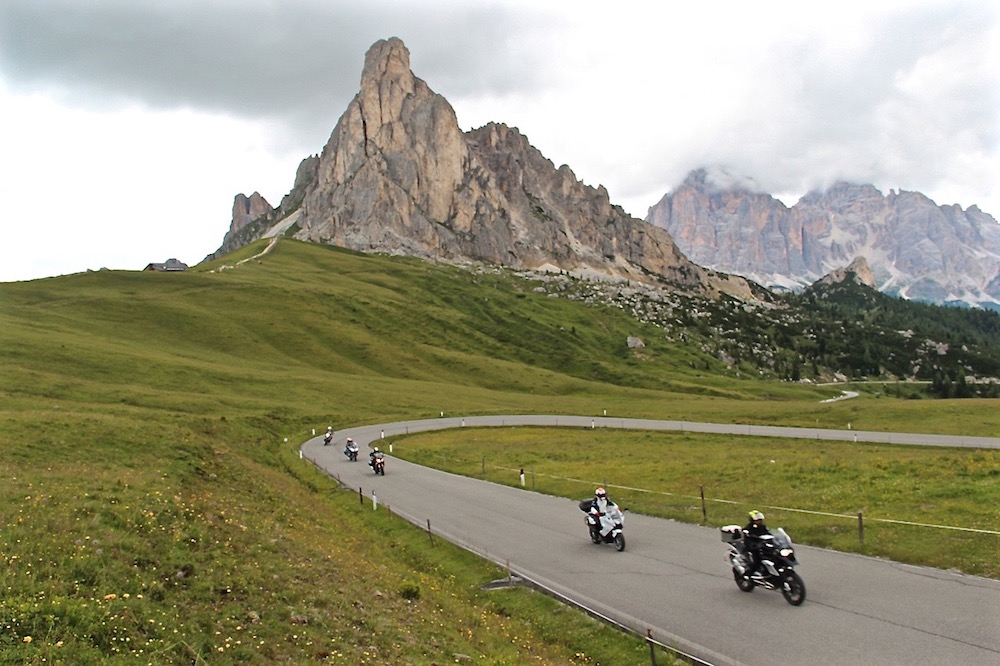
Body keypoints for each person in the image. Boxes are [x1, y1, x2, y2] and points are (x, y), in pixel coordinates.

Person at [742, 510, 771, 576]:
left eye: (760, 520)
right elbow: (747, 537)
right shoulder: (748, 528)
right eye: (757, 520)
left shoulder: (763, 527)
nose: (759, 521)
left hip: (762, 544)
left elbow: (768, 533)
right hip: (753, 545)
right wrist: (754, 542)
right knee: (757, 558)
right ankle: (753, 572)